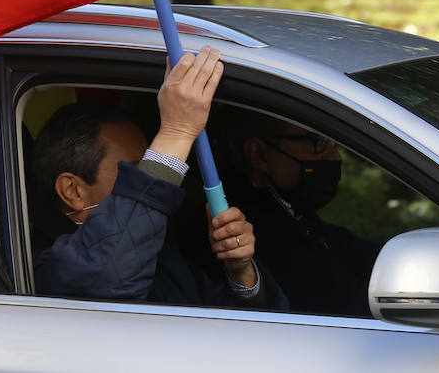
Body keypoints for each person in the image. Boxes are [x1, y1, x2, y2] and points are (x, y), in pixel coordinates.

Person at [32, 47, 284, 308]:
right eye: (137, 171)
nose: (150, 179)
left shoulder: (160, 253)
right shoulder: (39, 262)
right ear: (72, 190)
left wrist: (240, 273)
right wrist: (177, 132)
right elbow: (105, 285)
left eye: (148, 168)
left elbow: (233, 325)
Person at [228, 112, 380, 316]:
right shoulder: (251, 236)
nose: (334, 157)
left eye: (331, 143)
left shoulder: (289, 211)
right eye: (316, 142)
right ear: (260, 155)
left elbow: (340, 245)